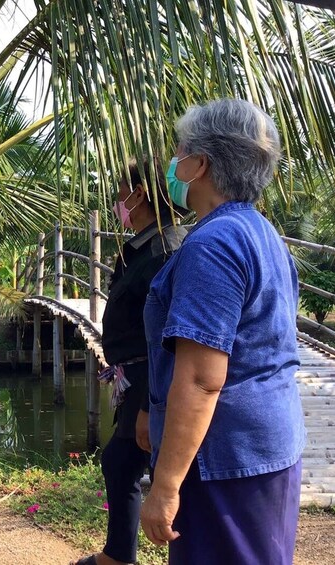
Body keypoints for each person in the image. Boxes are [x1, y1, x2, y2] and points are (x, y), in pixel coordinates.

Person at [140, 98, 306, 564]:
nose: (172, 161)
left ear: (200, 164)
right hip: (267, 444)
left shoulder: (212, 245)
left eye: (179, 151)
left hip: (224, 459)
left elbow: (200, 378)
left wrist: (166, 486)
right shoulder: (261, 233)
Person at [72, 157, 186, 565]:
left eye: (121, 193)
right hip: (134, 375)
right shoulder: (141, 245)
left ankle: (132, 555)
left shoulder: (166, 249)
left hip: (151, 377)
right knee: (122, 463)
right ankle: (119, 554)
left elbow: (169, 339)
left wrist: (146, 405)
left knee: (148, 467)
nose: (118, 201)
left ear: (138, 195)